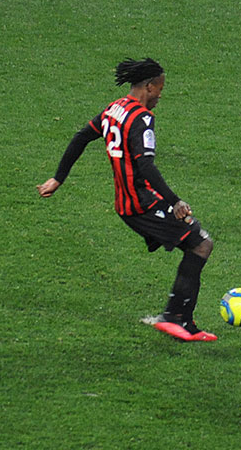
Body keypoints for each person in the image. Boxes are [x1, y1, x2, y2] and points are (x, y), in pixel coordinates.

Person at [37, 58, 217, 342]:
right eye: (160, 88)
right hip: (142, 204)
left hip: (128, 205)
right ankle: (175, 318)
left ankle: (181, 319)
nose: (160, 94)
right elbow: (145, 165)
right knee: (201, 244)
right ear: (148, 86)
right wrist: (174, 201)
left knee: (195, 243)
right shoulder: (142, 118)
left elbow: (81, 137)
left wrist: (58, 178)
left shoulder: (114, 109)